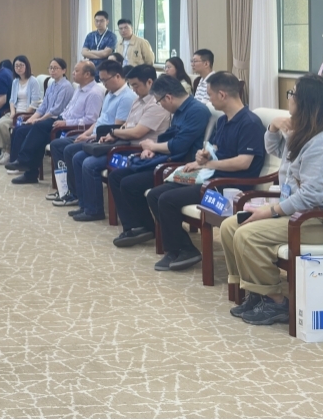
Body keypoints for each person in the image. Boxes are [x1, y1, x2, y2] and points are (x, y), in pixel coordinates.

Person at [220, 74, 323, 326]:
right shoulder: (303, 133)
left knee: (248, 234)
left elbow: (312, 195)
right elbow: (276, 150)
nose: (289, 98)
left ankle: (276, 301)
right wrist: (272, 128)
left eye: (293, 94)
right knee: (230, 227)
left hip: (320, 219)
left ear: (306, 102)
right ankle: (255, 292)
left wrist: (272, 211)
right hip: (297, 213)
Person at [142, 72, 266, 271]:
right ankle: (179, 248)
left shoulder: (249, 123)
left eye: (210, 95)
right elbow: (216, 148)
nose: (209, 100)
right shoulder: (223, 121)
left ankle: (182, 250)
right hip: (212, 178)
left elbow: (244, 162)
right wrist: (203, 156)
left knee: (167, 199)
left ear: (222, 95)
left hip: (230, 187)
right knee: (155, 194)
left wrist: (210, 165)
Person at [109, 75, 210, 247]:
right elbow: (169, 138)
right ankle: (137, 226)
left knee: (129, 183)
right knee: (116, 176)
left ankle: (145, 227)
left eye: (159, 101)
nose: (160, 105)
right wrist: (152, 148)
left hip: (179, 165)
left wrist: (154, 146)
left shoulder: (196, 111)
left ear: (168, 97)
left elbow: (179, 145)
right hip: (166, 158)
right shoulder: (178, 112)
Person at [66, 64, 172, 222]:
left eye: (136, 85)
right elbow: (127, 124)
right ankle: (84, 205)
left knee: (89, 163)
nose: (133, 89)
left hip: (139, 149)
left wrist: (114, 132)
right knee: (78, 157)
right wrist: (112, 135)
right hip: (124, 144)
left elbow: (137, 132)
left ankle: (94, 210)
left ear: (150, 82)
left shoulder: (156, 104)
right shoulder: (138, 100)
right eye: (131, 85)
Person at [46, 60, 134, 206]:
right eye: (102, 80)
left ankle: (76, 196)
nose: (103, 84)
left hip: (106, 141)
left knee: (72, 152)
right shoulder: (110, 94)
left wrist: (91, 137)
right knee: (61, 146)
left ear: (117, 76)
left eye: (105, 80)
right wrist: (86, 134)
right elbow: (99, 120)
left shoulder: (126, 98)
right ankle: (68, 191)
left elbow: (117, 129)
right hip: (94, 134)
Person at [9, 61, 105, 185]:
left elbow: (90, 120)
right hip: (61, 121)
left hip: (71, 127)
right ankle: (28, 170)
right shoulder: (79, 88)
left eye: (76, 71)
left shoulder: (94, 93)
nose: (73, 73)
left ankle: (26, 165)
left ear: (87, 74)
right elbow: (67, 109)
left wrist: (66, 123)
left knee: (39, 130)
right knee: (32, 132)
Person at [4, 59, 73, 175]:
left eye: (55, 68)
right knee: (19, 130)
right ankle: (18, 163)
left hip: (56, 121)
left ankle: (26, 166)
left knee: (37, 131)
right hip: (47, 120)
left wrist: (39, 119)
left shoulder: (66, 86)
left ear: (64, 70)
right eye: (50, 68)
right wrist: (31, 119)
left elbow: (56, 110)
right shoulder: (52, 85)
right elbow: (43, 106)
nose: (52, 70)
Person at [0, 55, 44, 164]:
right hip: (15, 112)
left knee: (3, 125)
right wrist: (13, 113)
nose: (19, 68)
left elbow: (35, 102)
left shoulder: (33, 81)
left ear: (26, 66)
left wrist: (24, 114)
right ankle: (4, 149)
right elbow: (12, 100)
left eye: (21, 65)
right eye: (16, 66)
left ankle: (9, 151)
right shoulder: (15, 81)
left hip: (26, 113)